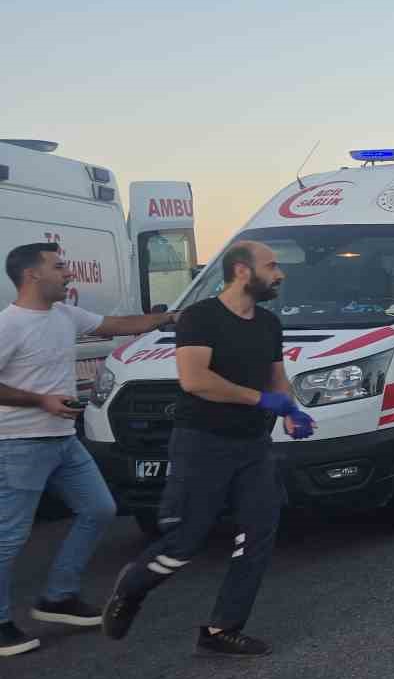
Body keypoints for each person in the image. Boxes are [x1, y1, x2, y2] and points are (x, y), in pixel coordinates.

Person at [101, 241, 316, 658]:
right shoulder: (201, 318)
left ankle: (222, 629)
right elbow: (195, 380)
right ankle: (132, 589)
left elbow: (277, 377)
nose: (280, 274)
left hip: (254, 446)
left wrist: (290, 410)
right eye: (272, 266)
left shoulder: (269, 323)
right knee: (185, 540)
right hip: (203, 443)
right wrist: (261, 400)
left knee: (258, 533)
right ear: (241, 271)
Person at [0, 243, 178, 658]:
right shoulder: (9, 325)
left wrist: (170, 318)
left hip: (62, 439)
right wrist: (40, 401)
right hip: (19, 443)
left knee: (99, 508)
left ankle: (57, 598)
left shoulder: (64, 314)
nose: (68, 273)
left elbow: (116, 324)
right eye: (58, 267)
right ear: (32, 276)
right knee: (8, 537)